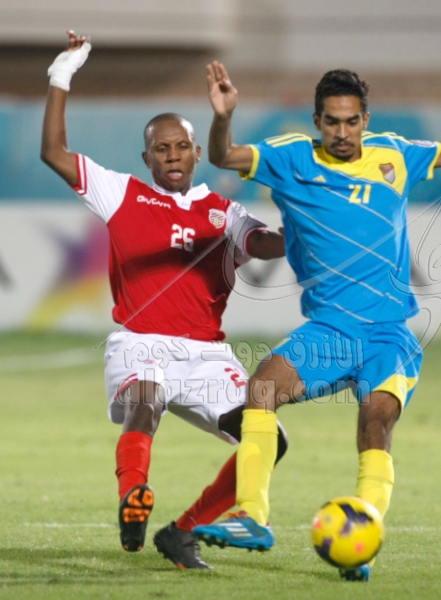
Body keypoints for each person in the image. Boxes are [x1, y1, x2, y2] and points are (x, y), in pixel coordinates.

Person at [192, 62, 441, 580]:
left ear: (365, 120)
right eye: (332, 121)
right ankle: (251, 515)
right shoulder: (290, 158)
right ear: (317, 121)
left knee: (375, 424)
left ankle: (364, 539)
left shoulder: (393, 155)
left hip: (388, 335)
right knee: (261, 389)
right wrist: (223, 116)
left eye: (351, 121)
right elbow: (224, 156)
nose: (342, 132)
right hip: (328, 332)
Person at [40, 32, 288, 570]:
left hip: (206, 354)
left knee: (269, 436)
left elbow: (265, 243)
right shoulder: (121, 193)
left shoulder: (224, 212)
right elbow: (53, 153)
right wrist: (61, 75)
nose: (172, 156)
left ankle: (182, 532)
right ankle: (133, 498)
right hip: (141, 342)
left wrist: (306, 230)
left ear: (198, 153)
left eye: (181, 147)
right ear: (146, 156)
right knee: (145, 401)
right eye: (161, 148)